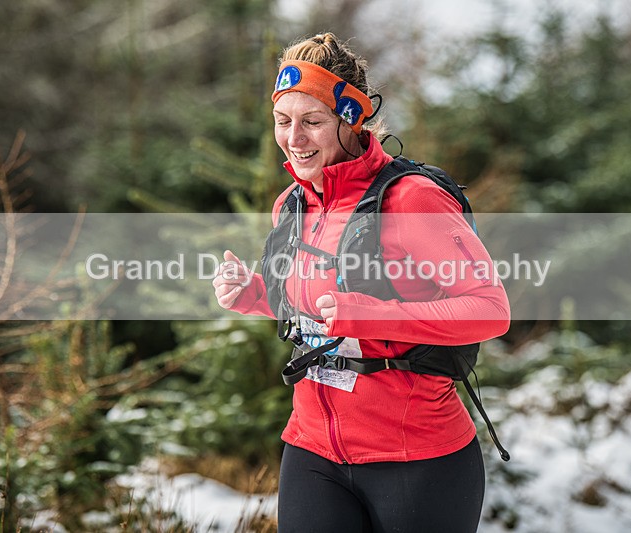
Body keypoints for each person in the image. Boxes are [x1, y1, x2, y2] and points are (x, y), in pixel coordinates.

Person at [213, 33, 510, 533]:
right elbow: (314, 312)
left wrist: (371, 313)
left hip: (416, 458)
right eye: (283, 122)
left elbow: (489, 309)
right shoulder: (292, 204)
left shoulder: (411, 200)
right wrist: (256, 295)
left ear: (350, 118)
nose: (294, 138)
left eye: (312, 121)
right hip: (312, 453)